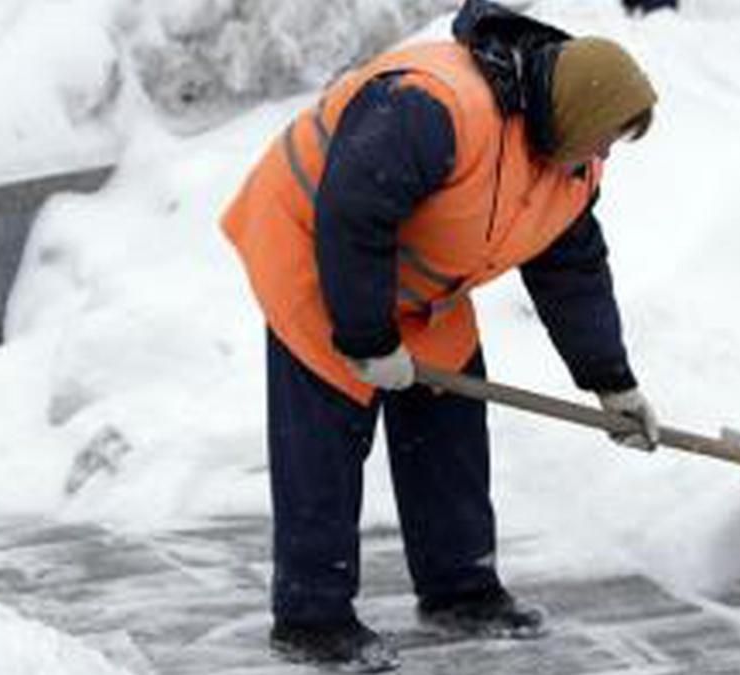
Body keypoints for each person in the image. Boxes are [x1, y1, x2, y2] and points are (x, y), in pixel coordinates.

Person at [221, 0, 660, 671]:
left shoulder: (570, 163)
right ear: (573, 115)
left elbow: (572, 271)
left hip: (417, 276)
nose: (603, 154)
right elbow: (353, 211)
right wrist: (366, 339)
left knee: (449, 420)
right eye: (602, 136)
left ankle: (461, 589)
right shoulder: (433, 106)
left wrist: (612, 382)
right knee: (325, 436)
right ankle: (312, 618)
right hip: (314, 244)